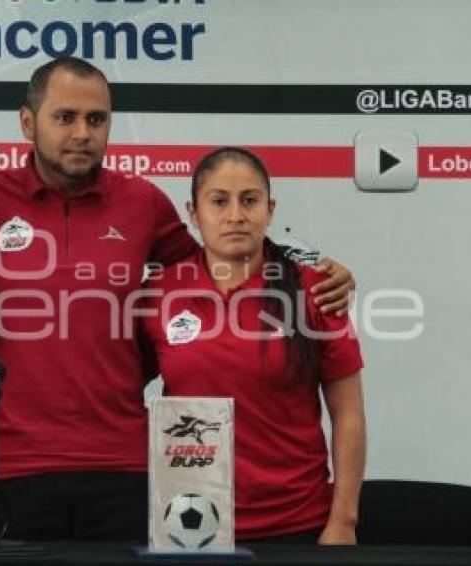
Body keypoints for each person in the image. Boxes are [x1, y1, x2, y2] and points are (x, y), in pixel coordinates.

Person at [0, 57, 355, 542]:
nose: (82, 132)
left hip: (125, 467)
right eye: (66, 117)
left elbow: (228, 246)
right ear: (28, 123)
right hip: (9, 468)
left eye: (97, 119)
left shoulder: (144, 202)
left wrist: (314, 264)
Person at [141, 147, 366, 544]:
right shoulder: (158, 293)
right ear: (193, 213)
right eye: (219, 201)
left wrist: (343, 522)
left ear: (270, 208)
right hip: (189, 524)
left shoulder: (314, 291)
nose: (235, 215)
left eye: (249, 200)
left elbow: (347, 415)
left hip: (298, 522)